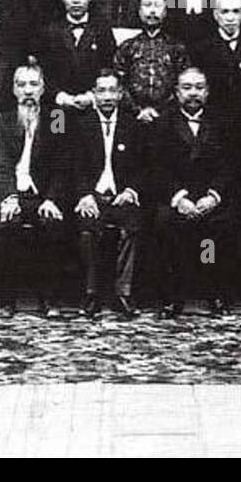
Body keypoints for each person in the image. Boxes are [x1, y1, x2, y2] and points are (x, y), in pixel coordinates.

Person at [150, 67, 234, 317]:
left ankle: (213, 291)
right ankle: (171, 296)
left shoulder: (221, 121)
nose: (193, 93)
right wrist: (179, 198)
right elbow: (156, 167)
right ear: (176, 93)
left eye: (199, 87)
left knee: (214, 234)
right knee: (165, 224)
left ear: (207, 92)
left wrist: (213, 196)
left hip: (208, 199)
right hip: (177, 198)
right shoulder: (162, 123)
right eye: (186, 88)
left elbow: (229, 165)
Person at [0, 65, 70, 317]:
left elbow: (62, 162)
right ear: (13, 90)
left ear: (43, 88)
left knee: (52, 226)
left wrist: (52, 198)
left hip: (43, 195)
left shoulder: (56, 117)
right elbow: (1, 165)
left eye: (33, 84)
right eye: (21, 85)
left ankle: (49, 300)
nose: (28, 91)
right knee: (4, 226)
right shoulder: (3, 121)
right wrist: (9, 197)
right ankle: (5, 300)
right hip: (13, 193)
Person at [69, 69, 147, 318]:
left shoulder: (133, 125)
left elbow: (143, 166)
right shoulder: (79, 124)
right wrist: (84, 194)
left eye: (112, 90)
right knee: (87, 227)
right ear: (92, 94)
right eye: (101, 91)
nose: (107, 96)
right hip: (92, 196)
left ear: (121, 94)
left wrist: (131, 190)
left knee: (132, 226)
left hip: (120, 195)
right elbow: (73, 165)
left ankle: (122, 293)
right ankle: (91, 293)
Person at [38, 0, 117, 113]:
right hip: (58, 108)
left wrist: (91, 96)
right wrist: (60, 97)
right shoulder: (50, 30)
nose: (75, 0)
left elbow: (109, 67)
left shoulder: (102, 29)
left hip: (93, 107)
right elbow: (44, 71)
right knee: (57, 132)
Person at [113, 0, 190, 124]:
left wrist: (162, 111)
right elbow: (118, 82)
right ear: (139, 11)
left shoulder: (176, 47)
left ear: (165, 11)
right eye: (147, 5)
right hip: (132, 117)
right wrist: (137, 110)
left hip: (169, 118)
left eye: (157, 6)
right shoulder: (128, 46)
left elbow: (183, 83)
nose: (152, 11)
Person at [191, 0, 241, 128]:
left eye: (235, 11)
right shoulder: (202, 49)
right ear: (216, 15)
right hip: (213, 123)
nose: (230, 18)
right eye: (225, 12)